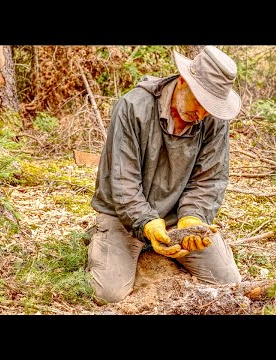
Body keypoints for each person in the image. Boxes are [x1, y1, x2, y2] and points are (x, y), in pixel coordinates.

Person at [86, 45, 242, 304]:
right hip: (124, 216)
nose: (202, 114)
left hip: (175, 218)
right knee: (108, 294)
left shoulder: (213, 119)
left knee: (228, 281)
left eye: (210, 107)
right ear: (183, 81)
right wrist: (146, 223)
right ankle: (108, 240)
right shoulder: (133, 107)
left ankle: (162, 247)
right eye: (201, 102)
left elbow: (210, 178)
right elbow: (122, 181)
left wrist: (192, 219)